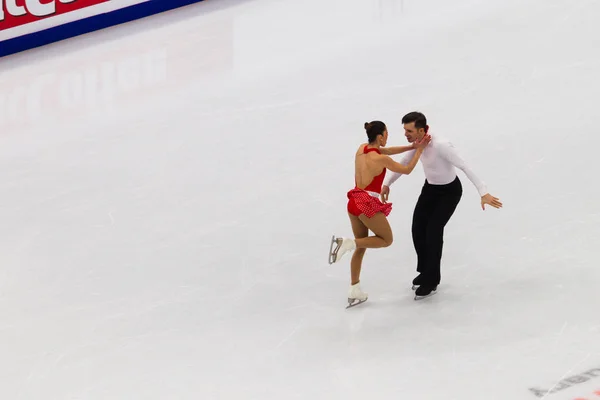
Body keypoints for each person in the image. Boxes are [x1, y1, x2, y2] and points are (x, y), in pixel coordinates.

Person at [380, 111, 503, 300]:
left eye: (409, 130)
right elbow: (405, 162)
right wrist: (388, 183)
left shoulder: (441, 145)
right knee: (417, 228)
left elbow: (464, 166)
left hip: (449, 192)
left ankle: (432, 280)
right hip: (430, 189)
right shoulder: (419, 142)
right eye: (404, 130)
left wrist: (483, 191)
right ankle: (425, 271)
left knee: (433, 232)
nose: (406, 134)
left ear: (421, 130)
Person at [328, 120, 431, 308]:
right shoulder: (380, 159)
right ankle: (348, 243)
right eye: (386, 134)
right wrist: (420, 150)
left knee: (362, 246)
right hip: (366, 202)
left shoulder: (362, 149)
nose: (387, 138)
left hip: (353, 201)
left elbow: (388, 150)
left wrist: (411, 146)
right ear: (380, 136)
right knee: (386, 239)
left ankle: (354, 288)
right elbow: (407, 170)